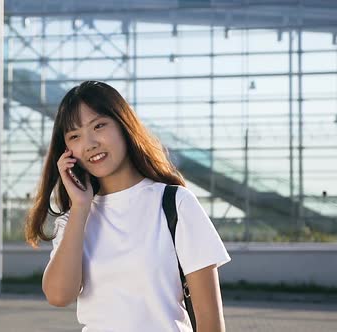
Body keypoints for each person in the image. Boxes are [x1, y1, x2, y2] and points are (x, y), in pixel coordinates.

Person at [25, 81, 231, 332]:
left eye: (99, 126)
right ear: (68, 153)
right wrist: (80, 208)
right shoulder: (74, 220)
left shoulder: (175, 203)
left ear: (123, 125)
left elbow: (209, 320)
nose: (89, 143)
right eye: (75, 136)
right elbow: (58, 296)